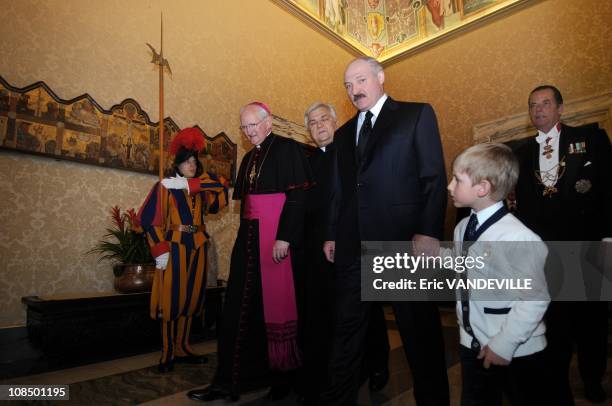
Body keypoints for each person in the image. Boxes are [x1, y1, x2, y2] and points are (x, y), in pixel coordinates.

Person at [322, 56, 449, 405]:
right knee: (346, 334)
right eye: (348, 85)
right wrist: (332, 233)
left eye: (360, 81)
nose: (354, 90)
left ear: (380, 77)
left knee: (418, 335)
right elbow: (339, 190)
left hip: (401, 243)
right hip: (352, 246)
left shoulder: (415, 115)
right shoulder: (344, 133)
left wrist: (428, 231)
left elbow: (434, 177)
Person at [186, 102, 313, 402]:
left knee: (277, 308)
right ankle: (231, 380)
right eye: (243, 127)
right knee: (239, 309)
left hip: (276, 242)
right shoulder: (248, 157)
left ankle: (283, 379)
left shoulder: (287, 149)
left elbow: (297, 197)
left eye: (253, 125)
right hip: (249, 241)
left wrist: (285, 237)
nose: (248, 131)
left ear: (268, 122)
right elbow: (245, 204)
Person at [514, 85, 612, 404]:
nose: (538, 109)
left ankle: (593, 378)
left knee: (591, 323)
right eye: (533, 105)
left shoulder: (590, 140)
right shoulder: (522, 152)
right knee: (554, 323)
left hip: (587, 246)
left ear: (560, 108)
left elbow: (609, 189)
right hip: (546, 253)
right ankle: (559, 386)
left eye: (545, 103)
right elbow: (524, 207)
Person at [298, 102, 390, 404]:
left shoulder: (353, 153)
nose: (319, 126)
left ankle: (376, 366)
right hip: (318, 250)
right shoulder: (306, 163)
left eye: (324, 119)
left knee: (367, 312)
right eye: (312, 123)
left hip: (354, 245)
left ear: (336, 122)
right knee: (330, 314)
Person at [447, 142, 550, 405]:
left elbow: (534, 299)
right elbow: (470, 264)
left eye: (457, 180)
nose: (449, 186)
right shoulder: (462, 227)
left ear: (482, 188)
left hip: (515, 348)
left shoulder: (518, 237)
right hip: (473, 342)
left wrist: (503, 344)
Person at [136, 127, 227, 373]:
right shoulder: (164, 186)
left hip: (197, 246)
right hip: (174, 248)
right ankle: (167, 351)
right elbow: (148, 220)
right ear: (177, 164)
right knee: (172, 299)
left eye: (194, 162)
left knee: (190, 299)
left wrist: (194, 183)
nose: (191, 165)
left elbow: (220, 192)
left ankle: (183, 347)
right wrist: (160, 250)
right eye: (187, 162)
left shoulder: (199, 187)